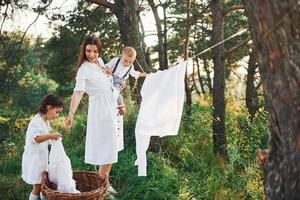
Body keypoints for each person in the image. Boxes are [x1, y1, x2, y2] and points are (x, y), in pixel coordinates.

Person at [64, 36, 120, 195]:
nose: (92, 54)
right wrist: (71, 114)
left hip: (111, 106)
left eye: (95, 51)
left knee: (110, 146)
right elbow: (78, 92)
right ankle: (102, 186)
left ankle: (104, 182)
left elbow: (108, 83)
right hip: (100, 110)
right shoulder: (84, 68)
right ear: (84, 50)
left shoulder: (101, 62)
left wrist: (114, 87)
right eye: (88, 51)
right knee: (106, 147)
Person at [21, 94, 63, 200]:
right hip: (34, 159)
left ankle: (42, 197)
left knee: (43, 183)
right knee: (37, 186)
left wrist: (52, 137)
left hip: (41, 157)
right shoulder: (36, 121)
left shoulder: (45, 121)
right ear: (49, 108)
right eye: (57, 112)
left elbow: (46, 134)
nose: (57, 115)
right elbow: (36, 138)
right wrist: (50, 136)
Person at [105, 46, 147, 114]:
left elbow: (134, 73)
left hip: (118, 81)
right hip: (109, 77)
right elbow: (107, 65)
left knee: (116, 91)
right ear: (122, 56)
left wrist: (142, 74)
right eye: (125, 60)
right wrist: (108, 68)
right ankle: (110, 104)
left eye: (130, 62)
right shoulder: (116, 60)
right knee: (107, 90)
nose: (127, 64)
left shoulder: (130, 67)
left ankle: (120, 105)